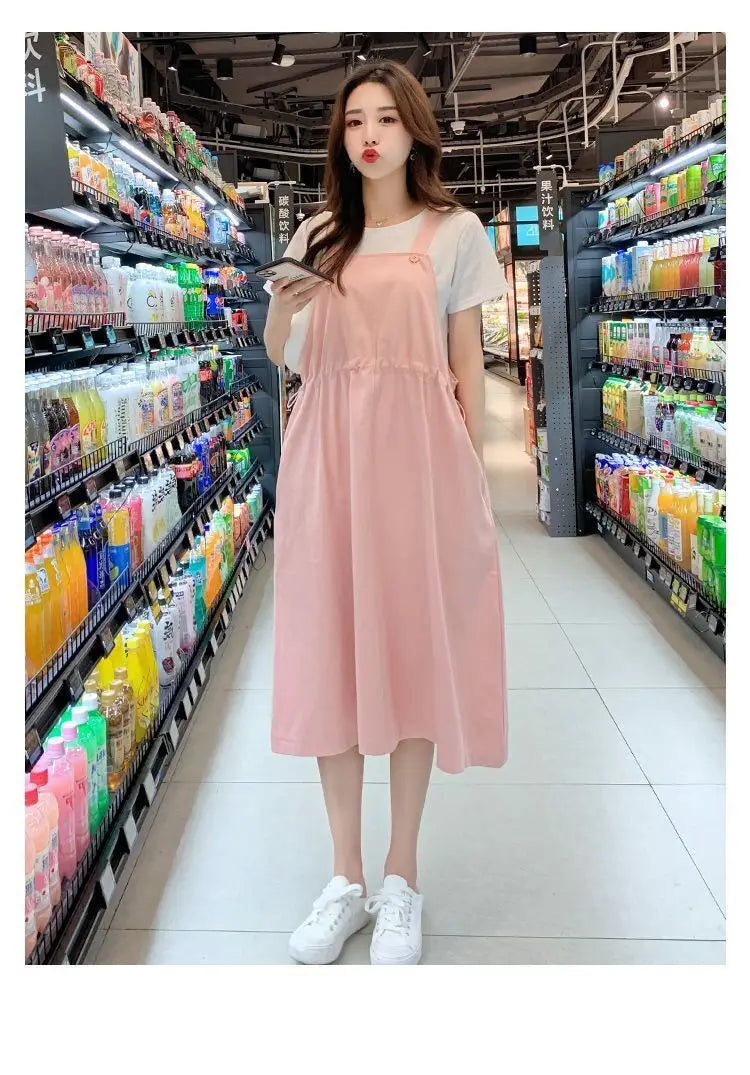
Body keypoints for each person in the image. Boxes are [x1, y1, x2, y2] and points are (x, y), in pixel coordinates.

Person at [264, 60, 508, 966]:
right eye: (354, 120)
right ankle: (346, 876)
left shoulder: (455, 232)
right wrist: (283, 310)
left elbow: (465, 364)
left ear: (413, 131)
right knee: (333, 652)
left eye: (385, 118)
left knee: (406, 653)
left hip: (417, 465)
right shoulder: (319, 231)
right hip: (328, 457)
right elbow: (282, 353)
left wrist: (474, 482)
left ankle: (402, 875)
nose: (368, 134)